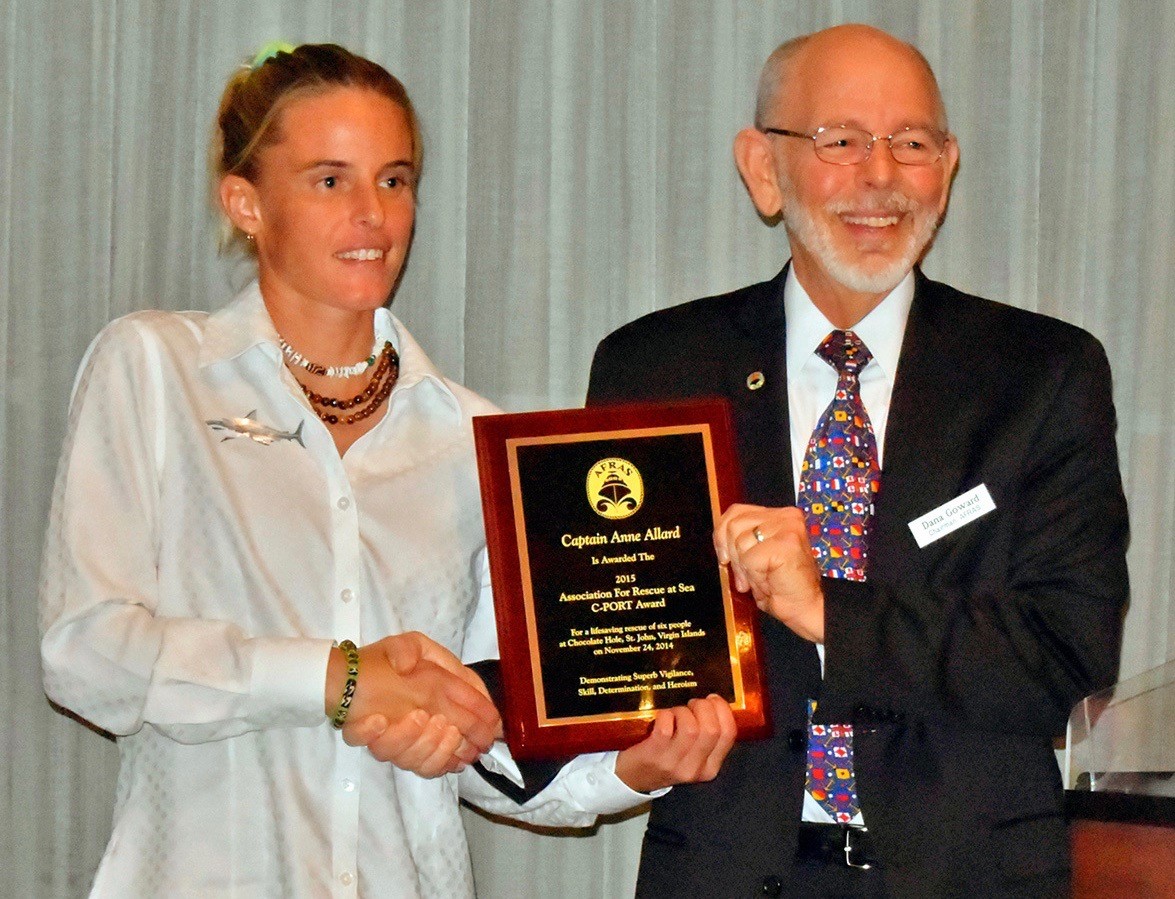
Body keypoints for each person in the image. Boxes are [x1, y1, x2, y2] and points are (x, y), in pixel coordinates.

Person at [40, 42, 734, 897]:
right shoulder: (152, 368)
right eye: (330, 180)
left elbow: (490, 739)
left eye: (394, 179)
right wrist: (338, 680)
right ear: (245, 201)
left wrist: (629, 764)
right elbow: (87, 656)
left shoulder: (475, 433)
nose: (372, 213)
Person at [587, 23, 1128, 898]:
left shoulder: (1039, 374)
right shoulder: (655, 368)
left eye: (910, 144)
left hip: (968, 873)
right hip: (725, 871)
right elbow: (606, 621)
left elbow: (1066, 650)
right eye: (839, 141)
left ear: (945, 169)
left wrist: (828, 611)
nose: (880, 176)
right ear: (764, 169)